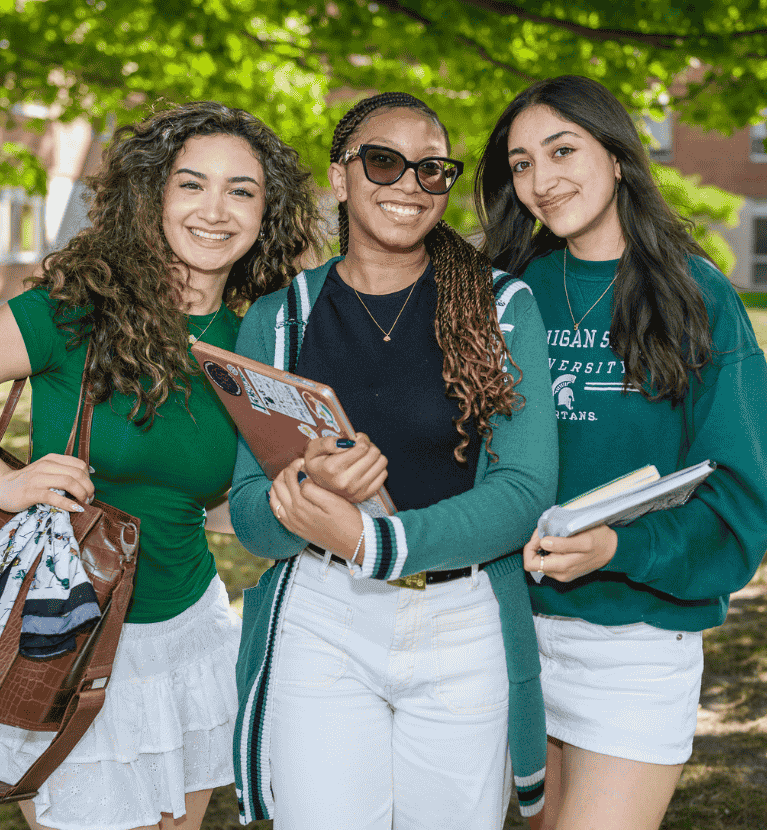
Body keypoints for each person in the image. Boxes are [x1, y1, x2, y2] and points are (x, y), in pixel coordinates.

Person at [0, 101, 321, 830]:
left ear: (265, 213)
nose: (215, 210)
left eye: (241, 191)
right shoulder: (75, 311)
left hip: (188, 637)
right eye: (192, 184)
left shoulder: (255, 342)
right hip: (59, 639)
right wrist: (2, 482)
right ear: (152, 196)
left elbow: (213, 499)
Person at [227, 92, 558, 829]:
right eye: (383, 162)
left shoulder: (501, 306)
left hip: (463, 617)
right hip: (323, 616)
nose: (409, 184)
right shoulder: (278, 318)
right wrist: (311, 485)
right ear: (340, 179)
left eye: (432, 170)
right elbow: (252, 516)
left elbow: (524, 489)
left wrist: (376, 541)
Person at [474, 76, 767, 830]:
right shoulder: (506, 293)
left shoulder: (696, 298)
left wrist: (618, 546)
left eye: (561, 150)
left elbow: (737, 506)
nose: (541, 182)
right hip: (507, 629)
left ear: (617, 156)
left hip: (637, 644)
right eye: (520, 165)